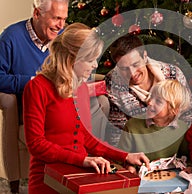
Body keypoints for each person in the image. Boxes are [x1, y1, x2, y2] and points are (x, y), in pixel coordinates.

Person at [22, 23, 150, 194]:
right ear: (71, 58)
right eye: (90, 60)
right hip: (48, 176)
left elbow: (87, 139)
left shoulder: (81, 88)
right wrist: (83, 160)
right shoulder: (37, 87)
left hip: (80, 172)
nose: (94, 66)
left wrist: (125, 156)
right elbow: (36, 145)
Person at [0, 0, 69, 193]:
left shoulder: (63, 36)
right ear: (37, 13)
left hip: (59, 105)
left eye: (64, 19)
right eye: (56, 18)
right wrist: (33, 82)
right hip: (30, 107)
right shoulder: (11, 37)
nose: (61, 26)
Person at [105, 34, 192, 146]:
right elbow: (117, 133)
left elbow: (190, 116)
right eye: (124, 69)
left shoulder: (173, 74)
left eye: (136, 64)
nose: (132, 73)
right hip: (139, 149)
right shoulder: (113, 82)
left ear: (144, 56)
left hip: (175, 143)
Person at [118, 80, 192, 173]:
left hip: (170, 178)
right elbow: (121, 157)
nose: (150, 103)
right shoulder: (132, 125)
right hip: (140, 177)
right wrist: (129, 167)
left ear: (174, 110)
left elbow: (187, 157)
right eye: (151, 97)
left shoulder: (182, 128)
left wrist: (189, 167)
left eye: (158, 101)